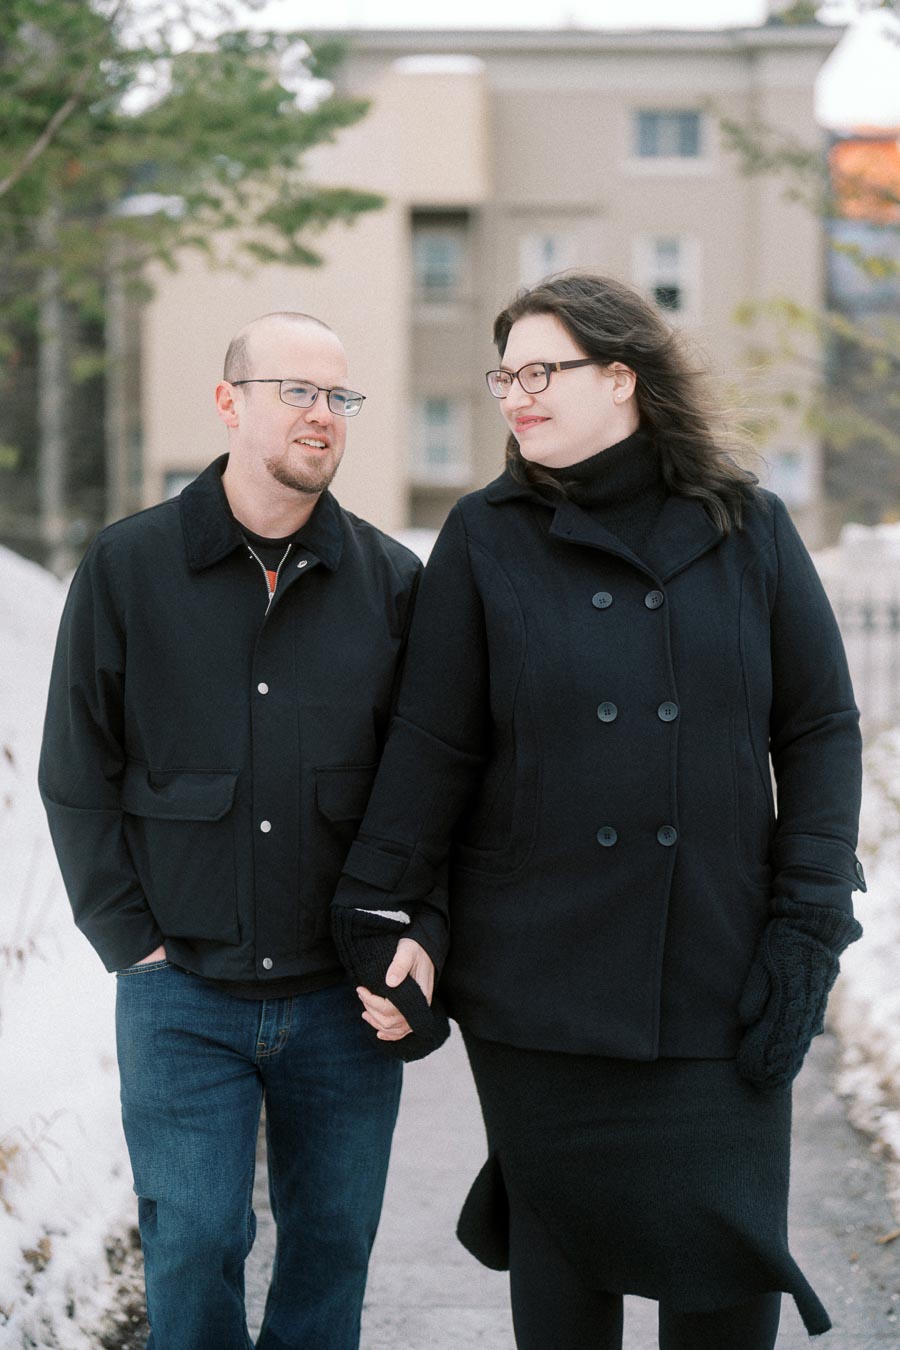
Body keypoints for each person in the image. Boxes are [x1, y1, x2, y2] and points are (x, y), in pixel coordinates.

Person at [331, 273, 866, 1349]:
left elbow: (819, 728)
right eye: (505, 375)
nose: (515, 395)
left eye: (543, 371)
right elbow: (437, 745)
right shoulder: (484, 536)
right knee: (563, 1275)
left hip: (717, 969)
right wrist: (382, 907)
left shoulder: (746, 526)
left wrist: (807, 922)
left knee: (723, 1279)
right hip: (541, 982)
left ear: (621, 377)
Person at [38, 311, 442, 1350]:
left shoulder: (393, 585)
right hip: (183, 994)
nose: (322, 416)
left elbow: (430, 787)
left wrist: (422, 932)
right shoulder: (129, 568)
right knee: (195, 1241)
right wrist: (131, 941)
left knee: (331, 1246)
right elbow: (77, 771)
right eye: (296, 392)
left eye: (339, 398)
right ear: (229, 402)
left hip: (338, 998)